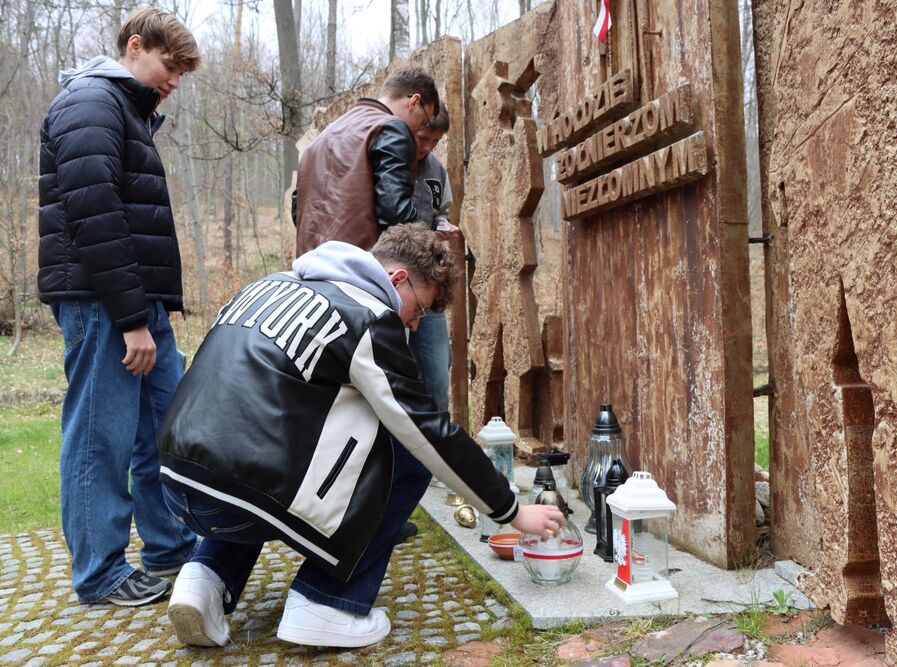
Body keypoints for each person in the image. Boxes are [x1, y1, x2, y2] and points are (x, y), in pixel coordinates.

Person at [159, 224, 564, 648]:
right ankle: (326, 601)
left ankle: (204, 577)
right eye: (419, 309)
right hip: (246, 499)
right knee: (407, 456)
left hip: (176, 482)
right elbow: (429, 431)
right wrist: (511, 511)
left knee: (243, 457)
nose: (414, 324)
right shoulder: (368, 315)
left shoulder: (269, 285)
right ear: (397, 279)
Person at [36, 7, 201, 607]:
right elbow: (95, 216)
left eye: (182, 72)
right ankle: (100, 571)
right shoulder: (91, 103)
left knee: (164, 427)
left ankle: (171, 545)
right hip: (102, 303)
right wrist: (131, 319)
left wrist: (146, 311)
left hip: (136, 300)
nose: (175, 80)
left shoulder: (125, 110)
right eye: (170, 65)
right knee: (99, 435)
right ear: (135, 46)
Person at [294, 66, 440, 255]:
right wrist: (430, 247)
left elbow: (298, 207)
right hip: (357, 266)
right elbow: (396, 213)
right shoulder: (391, 129)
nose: (419, 129)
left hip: (308, 264)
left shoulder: (323, 135)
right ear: (414, 102)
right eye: (424, 121)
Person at [409, 103, 457, 410]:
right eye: (423, 138)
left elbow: (441, 212)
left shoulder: (437, 170)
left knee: (437, 373)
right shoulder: (387, 160)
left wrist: (442, 225)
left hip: (428, 283)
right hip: (392, 284)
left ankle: (437, 432)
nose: (427, 147)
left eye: (435, 141)